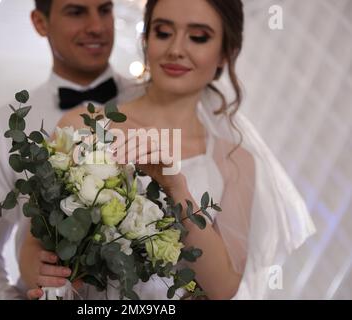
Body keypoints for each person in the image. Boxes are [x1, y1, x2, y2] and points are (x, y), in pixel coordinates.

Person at [21, 0, 316, 300]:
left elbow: (223, 288)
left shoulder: (235, 160)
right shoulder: (83, 125)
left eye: (198, 37)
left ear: (226, 53)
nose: (176, 49)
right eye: (163, 32)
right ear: (146, 38)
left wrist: (178, 189)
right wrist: (37, 270)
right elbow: (34, 245)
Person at [0, 0, 141, 299]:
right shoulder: (0, 130)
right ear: (41, 22)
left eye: (104, 9)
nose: (97, 26)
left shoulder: (157, 106)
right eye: (77, 12)